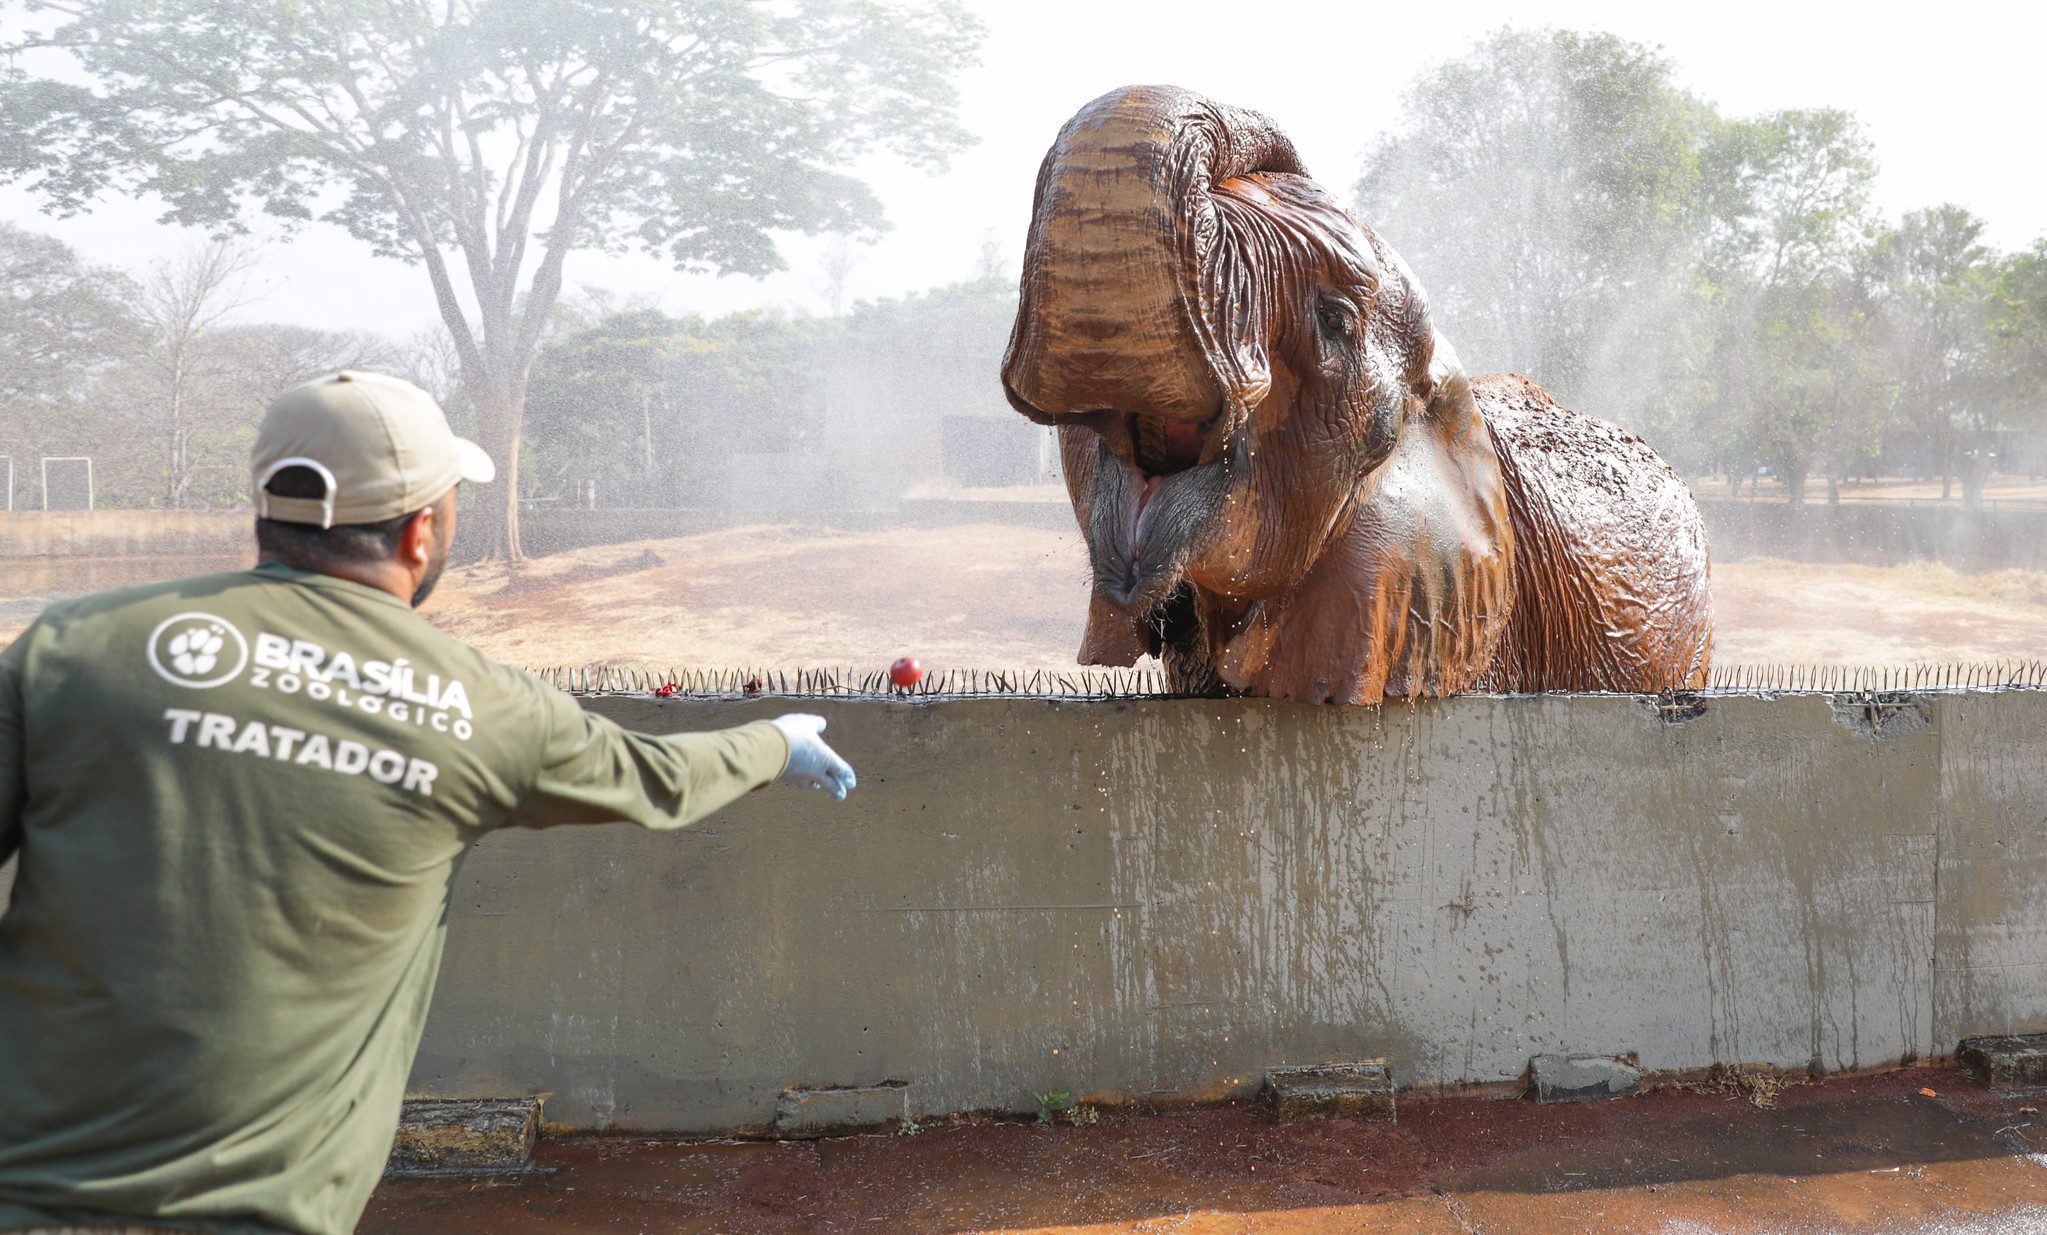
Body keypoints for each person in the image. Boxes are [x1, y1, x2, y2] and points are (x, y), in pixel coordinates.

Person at [0, 371, 857, 1235]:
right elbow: (659, 778)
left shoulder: (77, 646)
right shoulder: (479, 706)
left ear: (265, 509)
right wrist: (775, 741)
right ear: (422, 532)